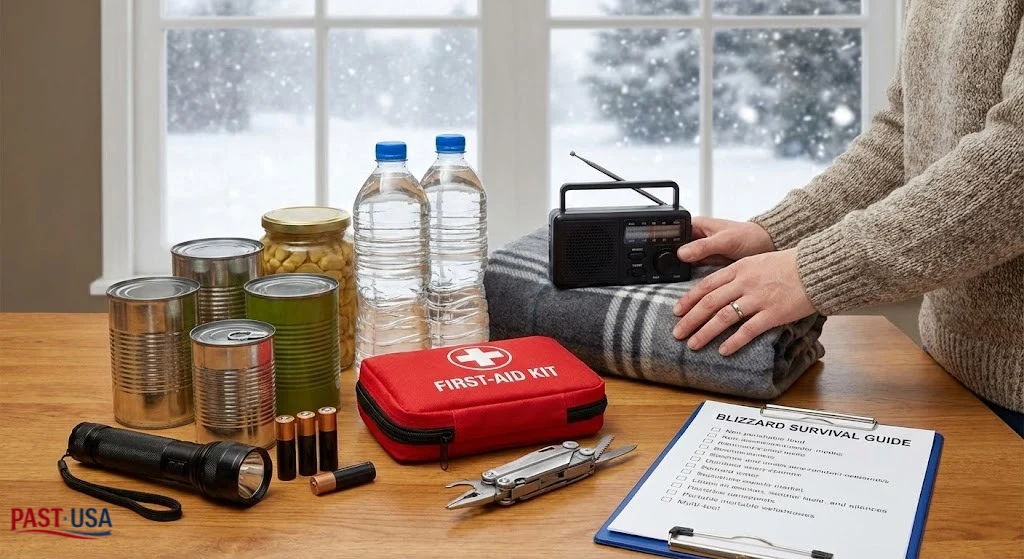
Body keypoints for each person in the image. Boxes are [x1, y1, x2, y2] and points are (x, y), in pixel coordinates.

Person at [671, 0, 1023, 437]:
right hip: (947, 371)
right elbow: (904, 133)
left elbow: (1016, 162)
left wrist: (813, 270)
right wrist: (776, 232)